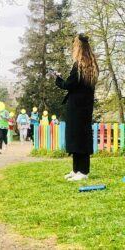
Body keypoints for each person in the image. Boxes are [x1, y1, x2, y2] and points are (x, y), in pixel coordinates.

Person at [51, 33, 99, 181]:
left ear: (78, 47)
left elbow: (68, 85)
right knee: (80, 136)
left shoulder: (78, 66)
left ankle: (83, 171)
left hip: (76, 107)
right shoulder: (92, 65)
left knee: (77, 137)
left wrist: (57, 78)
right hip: (85, 106)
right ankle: (77, 169)